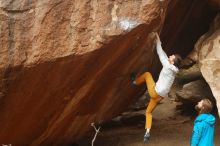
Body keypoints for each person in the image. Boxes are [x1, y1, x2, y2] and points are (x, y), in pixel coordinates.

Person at [131, 32, 182, 143]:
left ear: (172, 61)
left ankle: (134, 82)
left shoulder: (168, 66)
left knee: (147, 74)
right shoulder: (173, 69)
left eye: (171, 56)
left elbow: (160, 54)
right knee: (148, 113)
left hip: (155, 92)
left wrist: (157, 40)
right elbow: (164, 55)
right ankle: (147, 132)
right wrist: (159, 41)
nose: (169, 56)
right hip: (159, 97)